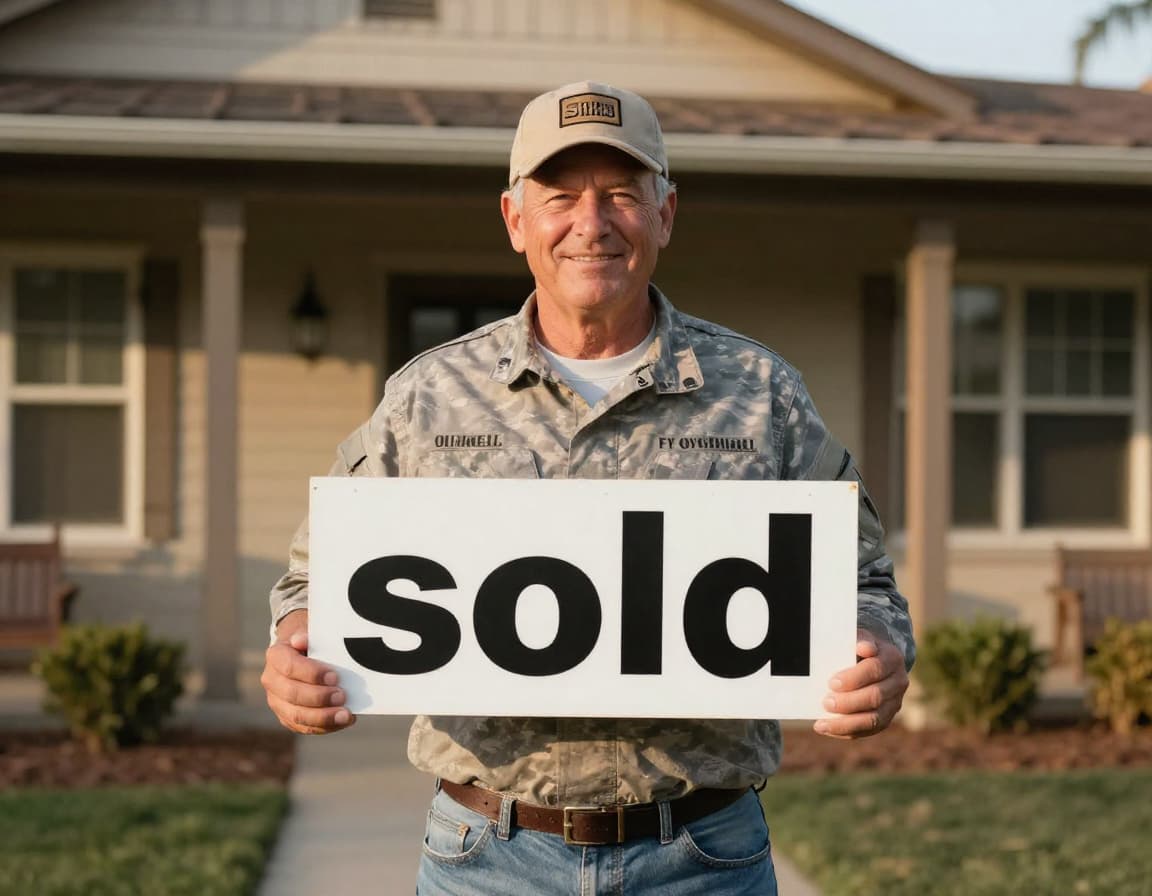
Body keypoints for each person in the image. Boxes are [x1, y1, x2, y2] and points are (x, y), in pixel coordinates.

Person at [263, 80, 914, 895]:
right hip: (485, 858)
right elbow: (312, 580)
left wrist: (878, 651)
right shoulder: (429, 397)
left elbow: (863, 580)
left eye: (620, 195)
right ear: (514, 221)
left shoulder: (761, 393)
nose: (592, 224)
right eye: (560, 197)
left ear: (666, 214)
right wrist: (297, 646)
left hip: (703, 857)